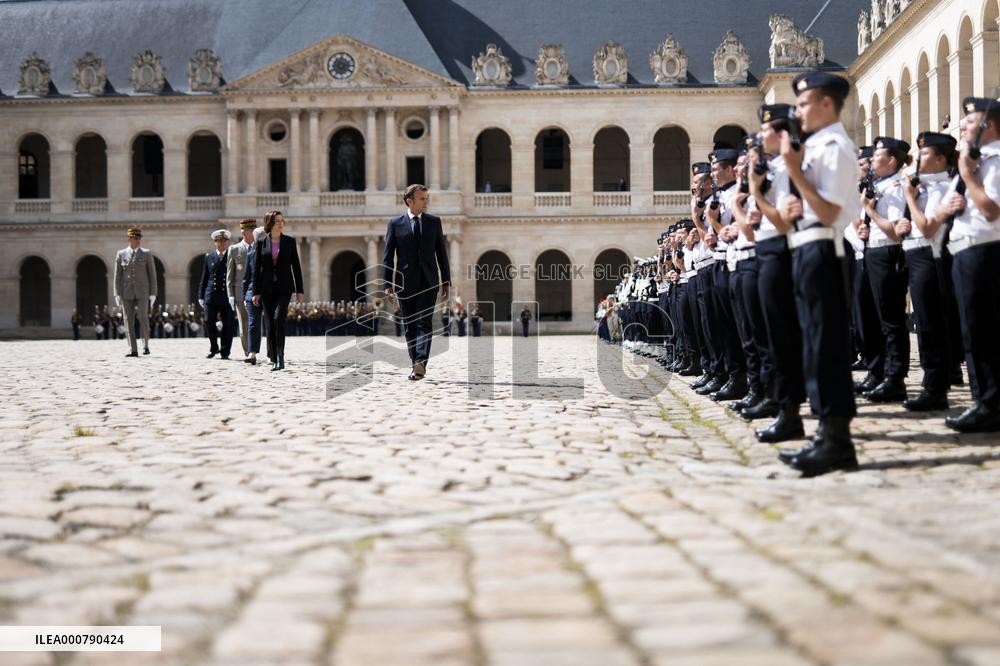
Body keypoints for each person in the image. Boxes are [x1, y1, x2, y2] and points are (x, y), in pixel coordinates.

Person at [776, 71, 860, 476]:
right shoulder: (814, 148)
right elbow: (810, 206)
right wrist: (793, 209)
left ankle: (837, 440)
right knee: (812, 345)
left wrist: (794, 175)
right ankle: (824, 434)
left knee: (827, 347)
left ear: (827, 104)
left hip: (825, 248)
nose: (797, 111)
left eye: (804, 103)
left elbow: (827, 211)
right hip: (806, 247)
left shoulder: (837, 147)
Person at [939, 97, 1000, 432]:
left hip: (986, 250)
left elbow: (992, 210)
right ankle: (984, 401)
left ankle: (989, 404)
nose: (961, 128)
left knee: (983, 331)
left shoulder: (993, 161)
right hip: (965, 250)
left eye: (968, 123)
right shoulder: (975, 160)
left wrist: (968, 177)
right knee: (972, 331)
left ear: (988, 126)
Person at [747, 104, 807, 441]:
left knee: (780, 336)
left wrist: (756, 192)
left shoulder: (786, 167)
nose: (760, 135)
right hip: (769, 249)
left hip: (780, 250)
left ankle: (788, 411)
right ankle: (781, 403)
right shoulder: (776, 167)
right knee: (772, 335)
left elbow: (782, 220)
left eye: (766, 130)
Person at [900, 132, 959, 411]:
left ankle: (935, 387)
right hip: (916, 254)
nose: (919, 159)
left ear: (940, 158)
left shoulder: (941, 187)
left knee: (931, 324)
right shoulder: (923, 185)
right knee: (927, 323)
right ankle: (937, 381)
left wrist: (910, 200)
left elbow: (927, 227)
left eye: (925, 154)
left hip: (931, 256)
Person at [859, 136, 913, 403]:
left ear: (892, 160)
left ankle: (895, 378)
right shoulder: (877, 184)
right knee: (873, 317)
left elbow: (893, 228)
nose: (871, 161)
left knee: (891, 320)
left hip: (887, 251)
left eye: (876, 156)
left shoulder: (896, 185)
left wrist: (872, 212)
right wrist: (864, 225)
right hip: (872, 250)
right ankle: (877, 371)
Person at [381, 184, 451, 381]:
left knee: (424, 323)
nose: (426, 202)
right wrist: (388, 284)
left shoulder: (434, 222)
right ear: (409, 201)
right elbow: (387, 257)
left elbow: (441, 254)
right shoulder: (395, 223)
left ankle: (421, 361)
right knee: (410, 325)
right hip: (405, 282)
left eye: (427, 198)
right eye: (422, 199)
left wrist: (446, 281)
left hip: (429, 281)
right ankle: (415, 364)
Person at [252, 210, 304, 371]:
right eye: (277, 221)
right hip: (266, 288)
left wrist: (299, 290)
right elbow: (256, 269)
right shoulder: (261, 242)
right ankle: (273, 357)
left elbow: (296, 266)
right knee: (270, 323)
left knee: (278, 319)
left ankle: (280, 357)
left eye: (282, 220)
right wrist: (255, 291)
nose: (281, 223)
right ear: (270, 223)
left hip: (284, 288)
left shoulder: (289, 241)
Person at [113, 227, 157, 357]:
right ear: (129, 239)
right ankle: (133, 349)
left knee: (143, 317)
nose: (138, 240)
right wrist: (116, 293)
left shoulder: (146, 253)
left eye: (139, 238)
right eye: (135, 238)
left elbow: (152, 275)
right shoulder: (121, 254)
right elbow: (117, 275)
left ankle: (145, 345)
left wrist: (153, 292)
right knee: (128, 319)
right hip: (126, 292)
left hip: (143, 291)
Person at [199, 229, 234, 360]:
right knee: (208, 321)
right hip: (211, 294)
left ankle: (225, 351)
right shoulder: (209, 257)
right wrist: (201, 295)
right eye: (220, 241)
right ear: (215, 242)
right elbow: (205, 277)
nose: (223, 243)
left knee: (228, 324)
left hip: (227, 295)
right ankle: (214, 347)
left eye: (225, 241)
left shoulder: (232, 255)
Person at [228, 218, 256, 362]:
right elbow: (230, 275)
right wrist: (230, 294)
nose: (250, 233)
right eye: (248, 230)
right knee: (243, 325)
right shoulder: (234, 249)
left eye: (253, 230)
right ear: (243, 232)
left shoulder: (260, 247)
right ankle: (247, 351)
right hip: (239, 292)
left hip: (255, 292)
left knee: (254, 323)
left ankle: (254, 349)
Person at [241, 226, 266, 365]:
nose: (262, 238)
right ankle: (252, 353)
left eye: (264, 235)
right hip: (252, 294)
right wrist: (245, 296)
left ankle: (272, 352)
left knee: (270, 324)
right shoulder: (251, 255)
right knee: (253, 324)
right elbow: (246, 278)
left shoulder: (273, 254)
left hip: (268, 293)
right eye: (260, 236)